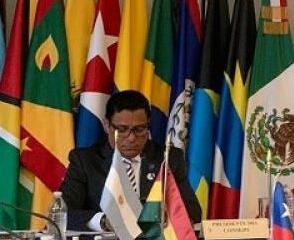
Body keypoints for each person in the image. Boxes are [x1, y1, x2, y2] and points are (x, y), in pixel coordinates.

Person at [61, 90, 202, 232]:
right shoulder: (84, 161)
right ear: (106, 125)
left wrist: (169, 215)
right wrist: (104, 221)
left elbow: (193, 211)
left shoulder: (168, 158)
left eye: (139, 129)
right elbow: (63, 213)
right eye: (122, 130)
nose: (131, 138)